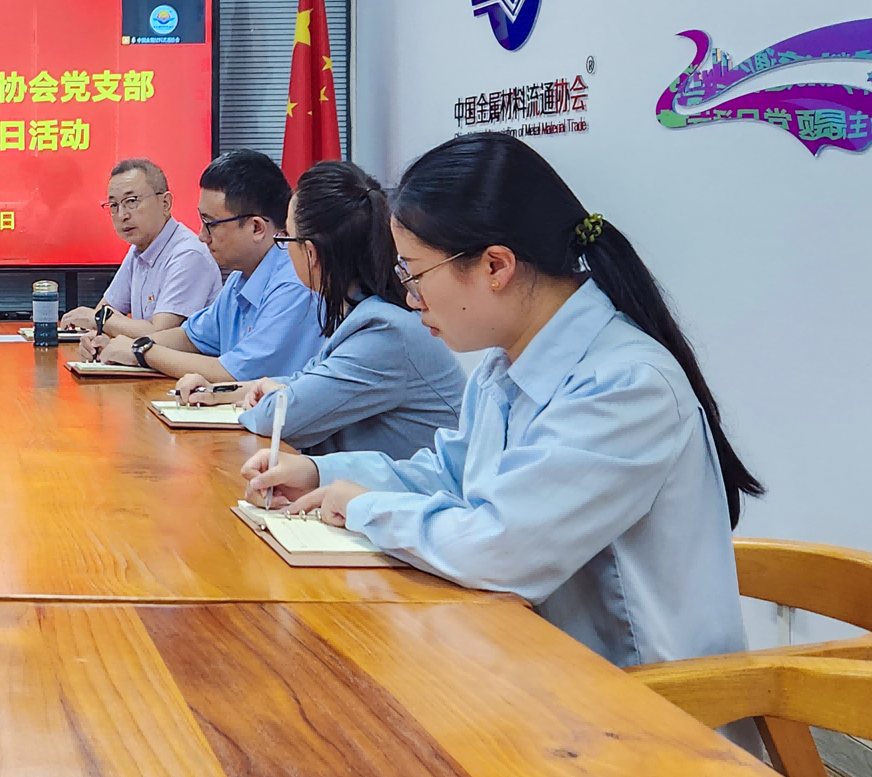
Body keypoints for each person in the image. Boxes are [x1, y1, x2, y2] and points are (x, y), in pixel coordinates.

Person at [246, 134, 763, 671]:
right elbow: (452, 474)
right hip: (532, 663)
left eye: (414, 273)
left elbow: (501, 545)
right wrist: (322, 474)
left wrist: (361, 507)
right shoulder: (505, 364)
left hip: (643, 698)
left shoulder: (627, 386)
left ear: (496, 266)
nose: (411, 297)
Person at [177, 161, 463, 459]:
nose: (283, 250)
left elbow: (281, 418)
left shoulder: (384, 332)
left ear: (311, 253)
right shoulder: (362, 311)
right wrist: (219, 393)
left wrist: (265, 397)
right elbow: (305, 380)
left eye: (286, 238)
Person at [88, 149, 322, 381]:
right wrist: (124, 346)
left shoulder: (296, 282)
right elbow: (190, 338)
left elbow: (233, 373)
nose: (202, 236)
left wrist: (141, 351)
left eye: (211, 224)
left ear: (256, 228)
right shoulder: (239, 278)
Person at [60, 158, 220, 343]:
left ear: (165, 203)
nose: (122, 215)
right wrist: (94, 338)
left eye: (131, 201)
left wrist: (100, 321)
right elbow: (106, 311)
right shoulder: (138, 250)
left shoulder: (189, 254)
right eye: (114, 205)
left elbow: (158, 334)